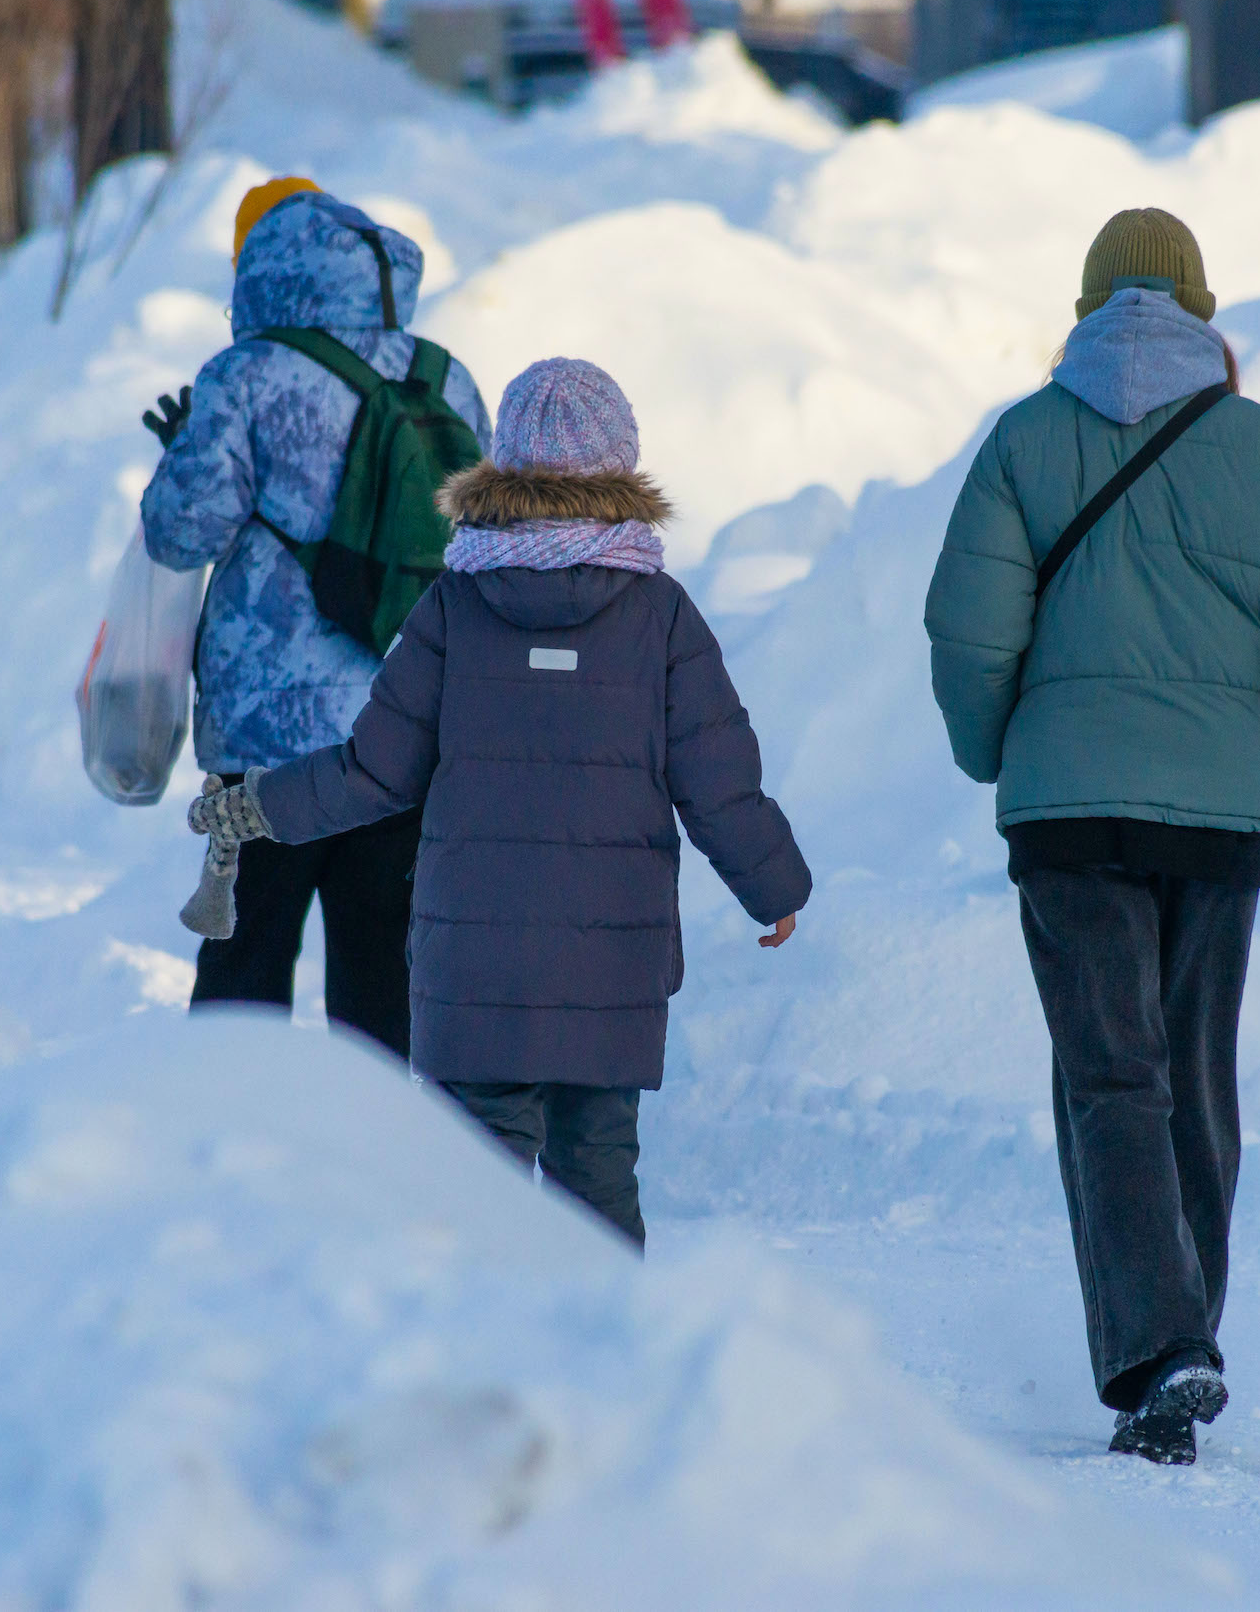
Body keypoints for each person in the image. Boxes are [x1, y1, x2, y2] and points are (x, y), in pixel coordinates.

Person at [923, 208, 1260, 1465]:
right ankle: (1183, 1339)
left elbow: (968, 630)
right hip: (1218, 814)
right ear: (1202, 307)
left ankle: (1160, 1347)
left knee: (1109, 1074)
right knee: (1192, 1072)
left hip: (1068, 810)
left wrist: (994, 749)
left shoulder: (1022, 439)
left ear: (1083, 310)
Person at [185, 358, 812, 1248]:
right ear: (622, 467)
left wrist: (259, 806)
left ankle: (484, 1376)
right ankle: (610, 1371)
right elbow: (721, 781)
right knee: (595, 1190)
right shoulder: (661, 617)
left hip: (472, 977)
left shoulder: (454, 608)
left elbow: (374, 770)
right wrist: (775, 884)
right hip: (608, 980)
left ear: (505, 469)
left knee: (474, 1205)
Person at [140, 178, 491, 1053]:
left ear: (264, 271)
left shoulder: (249, 374)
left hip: (270, 742)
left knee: (245, 968)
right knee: (382, 983)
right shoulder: (446, 376)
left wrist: (190, 451)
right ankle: (367, 1169)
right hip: (406, 728)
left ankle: (226, 1158)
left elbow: (181, 533)